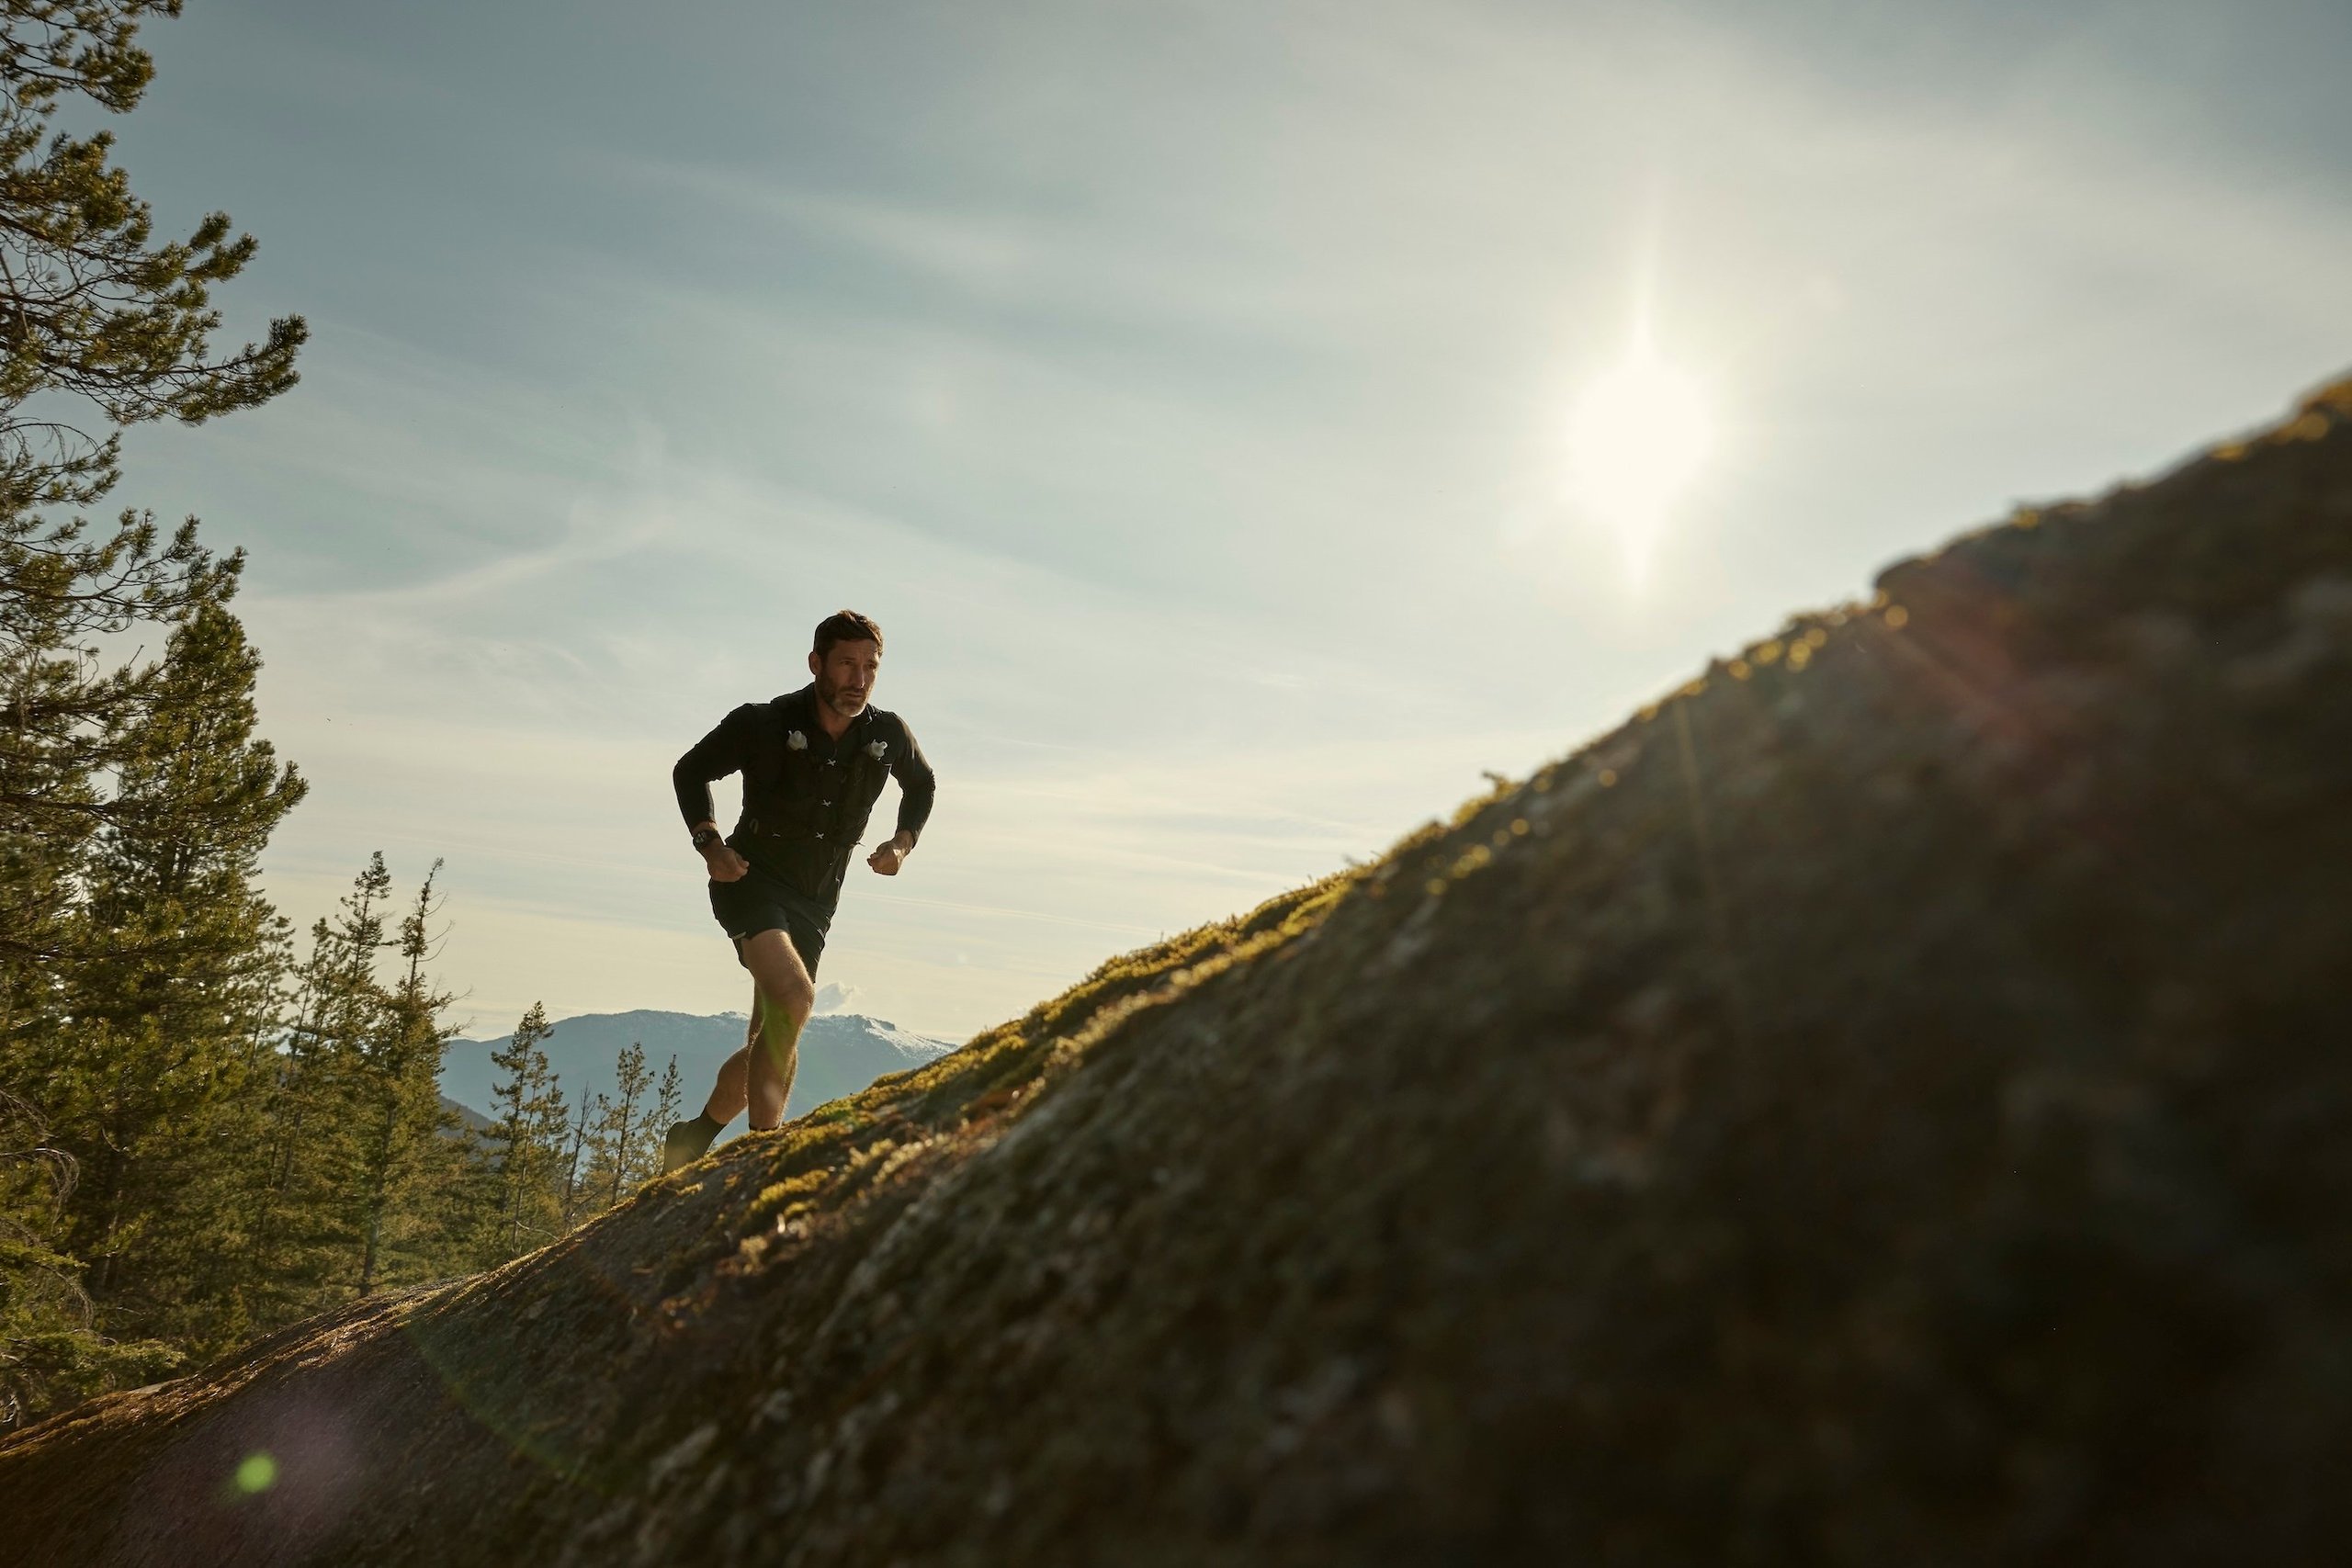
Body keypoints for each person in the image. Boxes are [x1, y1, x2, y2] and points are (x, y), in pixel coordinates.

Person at [661, 609, 936, 1172]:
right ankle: (763, 1162)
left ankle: (695, 1135)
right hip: (749, 880)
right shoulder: (762, 722)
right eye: (846, 665)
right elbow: (690, 770)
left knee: (776, 1034)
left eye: (870, 667)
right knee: (793, 998)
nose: (858, 679)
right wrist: (711, 846)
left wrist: (903, 843)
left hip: (817, 902)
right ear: (816, 665)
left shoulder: (886, 732)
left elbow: (922, 784)